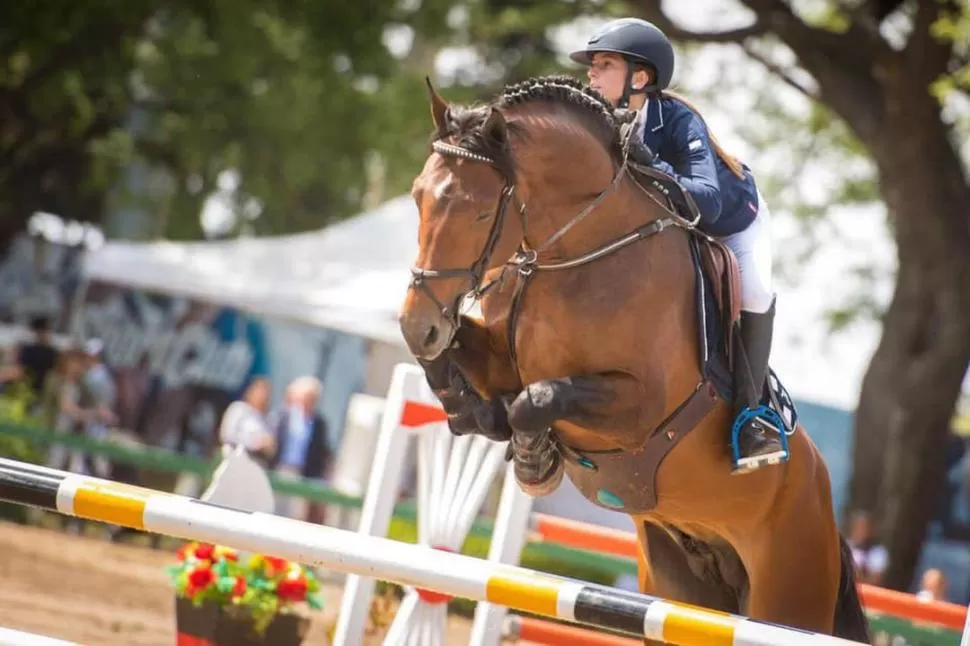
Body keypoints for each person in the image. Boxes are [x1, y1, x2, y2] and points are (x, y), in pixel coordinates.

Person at [569, 17, 786, 473]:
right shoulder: (596, 123)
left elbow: (705, 201)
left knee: (757, 291)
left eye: (604, 64)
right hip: (672, 227)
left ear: (639, 77)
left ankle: (753, 417)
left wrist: (648, 162)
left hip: (732, 224)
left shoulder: (677, 119)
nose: (591, 74)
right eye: (592, 66)